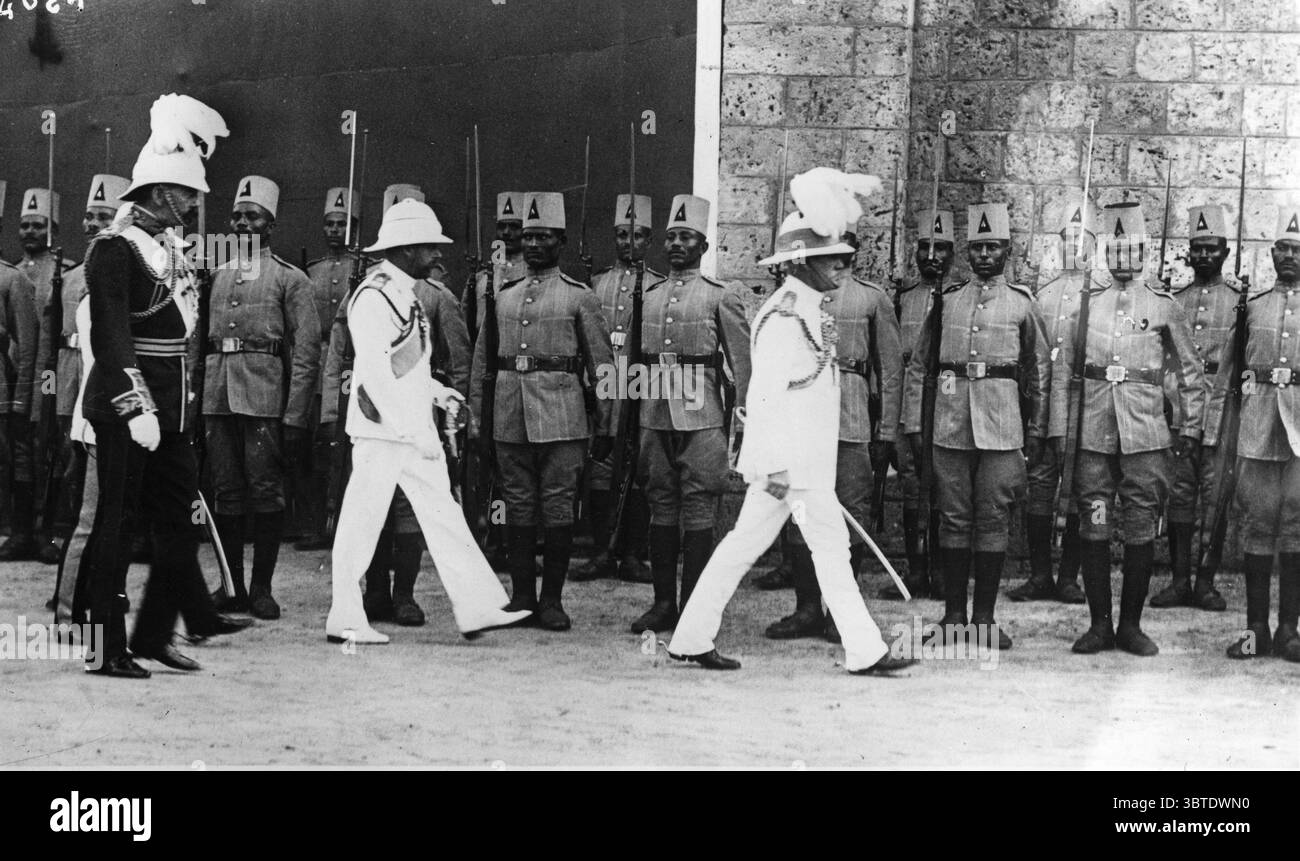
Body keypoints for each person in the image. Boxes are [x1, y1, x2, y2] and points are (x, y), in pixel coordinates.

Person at [668, 168, 913, 675]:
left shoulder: (808, 307)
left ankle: (691, 637)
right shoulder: (785, 316)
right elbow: (764, 396)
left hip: (804, 468)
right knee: (813, 549)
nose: (842, 267)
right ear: (800, 262)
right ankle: (865, 650)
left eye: (844, 259)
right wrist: (775, 467)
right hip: (789, 470)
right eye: (831, 260)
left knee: (769, 548)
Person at [81, 93, 251, 678]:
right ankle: (103, 648)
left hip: (173, 407)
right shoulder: (113, 249)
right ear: (158, 192)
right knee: (119, 523)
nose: (194, 202)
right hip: (129, 406)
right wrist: (135, 406)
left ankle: (155, 634)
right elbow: (110, 336)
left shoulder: (168, 247)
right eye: (186, 193)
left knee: (177, 522)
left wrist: (172, 409)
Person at [324, 198, 531, 644]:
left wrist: (439, 394)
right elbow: (377, 376)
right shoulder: (372, 296)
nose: (439, 255)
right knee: (362, 522)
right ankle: (344, 615)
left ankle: (476, 606)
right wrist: (413, 433)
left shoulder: (404, 293)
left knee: (444, 517)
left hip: (409, 430)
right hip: (384, 432)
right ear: (406, 249)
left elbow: (408, 366)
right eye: (430, 247)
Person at [1053, 200, 1205, 656]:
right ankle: (1099, 625)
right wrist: (1063, 426)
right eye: (1115, 251)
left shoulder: (1163, 307)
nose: (1124, 259)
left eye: (1132, 250)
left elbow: (1192, 373)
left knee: (1141, 525)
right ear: (1105, 254)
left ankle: (1131, 626)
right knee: (1095, 520)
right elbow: (1065, 371)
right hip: (1095, 437)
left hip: (1145, 437)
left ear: (1145, 251)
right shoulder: (1087, 303)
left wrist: (1191, 427)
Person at [902, 202, 1052, 650]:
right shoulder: (947, 302)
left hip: (1003, 429)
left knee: (992, 518)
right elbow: (918, 366)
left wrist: (1039, 431)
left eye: (993, 247)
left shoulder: (1022, 305)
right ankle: (952, 615)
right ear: (966, 253)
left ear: (1008, 250)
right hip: (950, 426)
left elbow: (1039, 372)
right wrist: (914, 422)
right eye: (978, 248)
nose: (985, 255)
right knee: (953, 519)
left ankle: (983, 618)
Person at [469, 191, 614, 631]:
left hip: (562, 418)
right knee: (517, 506)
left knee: (556, 508)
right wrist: (479, 417)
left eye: (543, 237)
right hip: (510, 416)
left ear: (561, 241)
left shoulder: (579, 297)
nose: (533, 245)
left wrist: (606, 421)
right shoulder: (504, 296)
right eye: (528, 237)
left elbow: (602, 365)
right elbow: (482, 362)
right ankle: (522, 598)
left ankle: (552, 600)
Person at [764, 230, 902, 643]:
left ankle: (840, 613)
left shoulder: (871, 298)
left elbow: (891, 370)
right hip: (801, 421)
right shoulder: (793, 297)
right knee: (800, 514)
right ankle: (806, 608)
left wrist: (887, 431)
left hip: (851, 420)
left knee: (851, 518)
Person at [630, 194, 751, 634]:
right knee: (661, 503)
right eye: (672, 237)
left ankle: (694, 609)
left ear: (703, 245)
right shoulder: (651, 295)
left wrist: (744, 422)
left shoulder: (721, 295)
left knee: (700, 508)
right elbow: (635, 360)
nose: (678, 244)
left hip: (702, 414)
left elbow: (743, 364)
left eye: (687, 237)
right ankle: (663, 604)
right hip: (655, 411)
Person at [205, 175, 322, 620]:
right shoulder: (216, 275)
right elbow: (202, 344)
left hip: (264, 400)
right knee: (226, 492)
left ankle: (262, 588)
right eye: (236, 216)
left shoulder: (289, 279)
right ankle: (231, 585)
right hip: (218, 397)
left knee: (265, 491)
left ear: (270, 225)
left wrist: (295, 417)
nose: (241, 223)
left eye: (252, 216)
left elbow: (307, 352)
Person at [1007, 198, 1097, 605]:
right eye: (1068, 239)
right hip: (1043, 409)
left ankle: (1069, 578)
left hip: (1082, 410)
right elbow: (1031, 360)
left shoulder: (1101, 295)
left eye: (1082, 239)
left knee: (1081, 490)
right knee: (1040, 489)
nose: (1074, 246)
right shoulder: (1041, 296)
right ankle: (1040, 574)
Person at [1221, 207, 1300, 662]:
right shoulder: (1252, 307)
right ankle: (1256, 628)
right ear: (1272, 253)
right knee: (1257, 525)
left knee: (1295, 527)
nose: (1289, 256)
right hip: (1257, 426)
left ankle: (1289, 628)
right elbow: (1232, 377)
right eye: (1283, 249)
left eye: (1298, 249)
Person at [1149, 204, 1237, 612]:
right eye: (1197, 249)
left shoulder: (1240, 302)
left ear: (1225, 252)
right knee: (1179, 496)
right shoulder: (1175, 299)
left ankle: (1206, 582)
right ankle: (1179, 579)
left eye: (1211, 248)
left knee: (1214, 497)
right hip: (1180, 409)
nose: (1204, 256)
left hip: (1220, 410)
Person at [572, 193, 659, 584]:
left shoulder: (658, 287)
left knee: (639, 469)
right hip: (604, 386)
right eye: (622, 235)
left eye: (638, 236)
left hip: (642, 386)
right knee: (601, 469)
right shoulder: (594, 284)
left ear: (649, 240)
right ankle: (599, 549)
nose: (629, 243)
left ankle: (633, 553)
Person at [879, 210, 952, 600]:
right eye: (924, 247)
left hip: (944, 405)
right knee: (910, 486)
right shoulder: (902, 299)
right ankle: (915, 570)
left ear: (953, 254)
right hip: (908, 406)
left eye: (940, 247)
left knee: (943, 490)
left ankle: (942, 572)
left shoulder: (954, 299)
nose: (932, 256)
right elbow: (888, 360)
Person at [3, 188, 75, 561]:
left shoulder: (67, 272)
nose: (30, 232)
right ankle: (20, 533)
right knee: (19, 452)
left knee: (48, 448)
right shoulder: (12, 273)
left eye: (39, 225)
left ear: (54, 229)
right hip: (18, 374)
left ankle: (48, 532)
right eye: (25, 225)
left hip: (51, 372)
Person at [295, 186, 359, 551]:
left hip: (347, 367)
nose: (335, 230)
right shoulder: (311, 271)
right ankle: (316, 523)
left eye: (343, 223)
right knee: (314, 452)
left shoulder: (361, 268)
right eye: (330, 224)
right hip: (315, 368)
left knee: (345, 450)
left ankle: (344, 522)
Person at [0, 178, 40, 563]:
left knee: (18, 458)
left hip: (6, 389)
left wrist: (20, 398)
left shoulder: (11, 278)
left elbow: (26, 344)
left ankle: (27, 532)